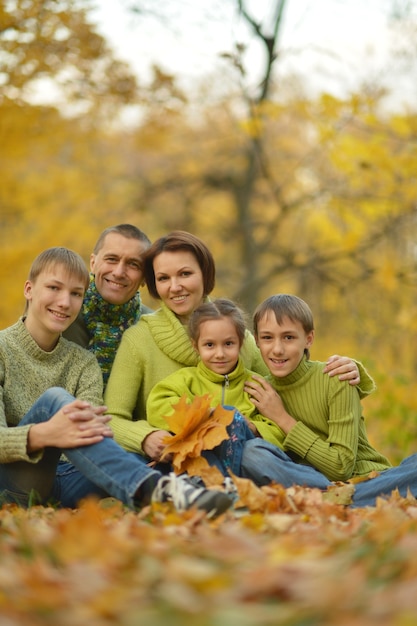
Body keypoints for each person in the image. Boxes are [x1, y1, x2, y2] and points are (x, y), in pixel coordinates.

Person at [0, 246, 233, 517]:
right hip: (14, 484)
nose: (64, 302)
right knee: (55, 400)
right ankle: (161, 491)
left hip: (73, 480)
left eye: (76, 294)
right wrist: (44, 434)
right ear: (29, 289)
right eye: (54, 288)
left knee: (138, 455)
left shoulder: (84, 362)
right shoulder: (3, 349)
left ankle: (189, 491)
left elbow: (94, 433)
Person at [104, 230, 371, 464]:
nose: (175, 287)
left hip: (241, 457)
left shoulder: (238, 334)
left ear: (205, 275)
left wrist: (346, 368)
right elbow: (112, 417)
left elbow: (284, 381)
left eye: (185, 273)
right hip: (170, 460)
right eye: (163, 278)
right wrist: (144, 436)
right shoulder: (138, 339)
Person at [239, 294, 417, 508]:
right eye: (268, 338)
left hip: (366, 480)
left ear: (309, 339)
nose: (277, 349)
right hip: (308, 483)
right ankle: (332, 500)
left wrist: (282, 418)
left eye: (288, 337)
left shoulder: (337, 377)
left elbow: (341, 467)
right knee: (252, 454)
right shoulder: (258, 391)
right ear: (256, 340)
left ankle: (334, 500)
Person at [147, 299, 285, 452]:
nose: (220, 354)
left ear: (241, 343)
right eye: (210, 345)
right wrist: (204, 414)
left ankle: (305, 476)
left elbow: (278, 430)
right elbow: (157, 406)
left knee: (255, 452)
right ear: (196, 346)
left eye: (228, 344)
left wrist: (252, 427)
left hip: (247, 459)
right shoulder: (186, 380)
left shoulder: (255, 386)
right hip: (202, 458)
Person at [63, 224, 153, 386]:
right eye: (112, 259)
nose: (119, 272)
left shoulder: (153, 328)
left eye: (133, 264)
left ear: (145, 278)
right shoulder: (61, 311)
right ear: (93, 263)